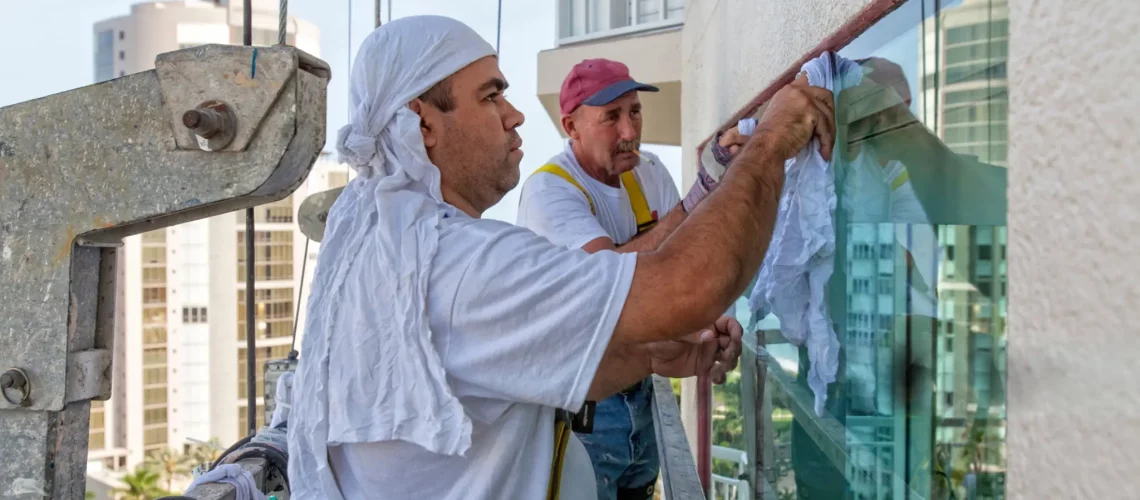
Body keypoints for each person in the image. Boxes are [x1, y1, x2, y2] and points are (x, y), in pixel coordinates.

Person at [287, 15, 835, 500]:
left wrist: (649, 357)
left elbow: (514, 365)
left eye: (636, 112)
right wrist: (773, 138)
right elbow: (687, 286)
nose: (516, 114)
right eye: (491, 95)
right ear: (424, 122)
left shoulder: (404, 254)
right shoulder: (456, 265)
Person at [516, 58, 749, 500]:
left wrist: (707, 327)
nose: (629, 130)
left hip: (641, 392)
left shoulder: (649, 172)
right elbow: (611, 285)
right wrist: (701, 193)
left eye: (635, 111)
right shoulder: (550, 191)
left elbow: (681, 270)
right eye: (611, 117)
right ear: (572, 126)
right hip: (583, 409)